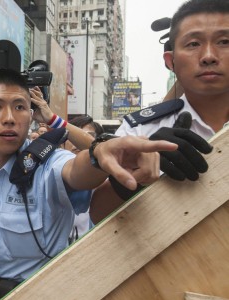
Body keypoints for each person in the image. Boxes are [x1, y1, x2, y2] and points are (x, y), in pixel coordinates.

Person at [0, 69, 178, 300]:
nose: (9, 118)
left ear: (30, 114)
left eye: (20, 107)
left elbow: (75, 170)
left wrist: (99, 155)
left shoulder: (47, 161)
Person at [90, 0, 225, 224]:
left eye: (224, 41)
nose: (208, 55)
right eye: (193, 44)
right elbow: (98, 214)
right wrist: (133, 179)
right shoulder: (141, 130)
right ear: (170, 60)